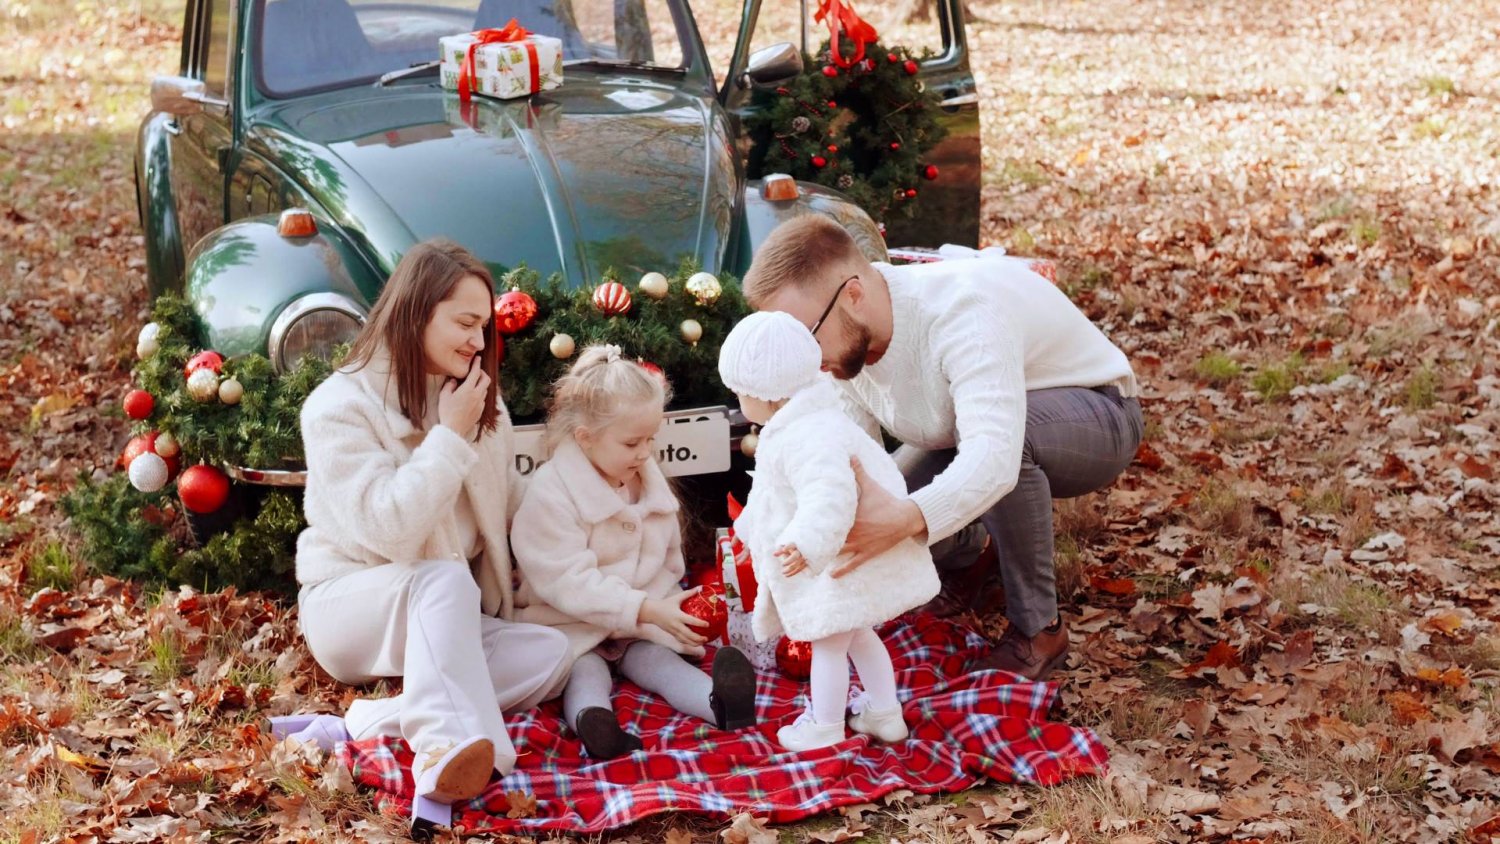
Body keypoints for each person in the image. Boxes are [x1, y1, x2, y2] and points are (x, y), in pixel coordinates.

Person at [743, 217, 1143, 682]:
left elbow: (993, 455)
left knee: (997, 456)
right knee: (884, 501)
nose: (804, 357)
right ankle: (975, 560)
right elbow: (855, 464)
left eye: (807, 333)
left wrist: (906, 519)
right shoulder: (838, 342)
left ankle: (1040, 629)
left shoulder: (962, 313)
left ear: (853, 293)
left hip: (1097, 411)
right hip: (968, 430)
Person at [276, 239, 572, 833]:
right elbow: (391, 531)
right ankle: (442, 754)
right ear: (416, 313)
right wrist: (450, 439)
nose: (477, 342)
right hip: (352, 605)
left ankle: (367, 722)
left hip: (445, 613)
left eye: (484, 327)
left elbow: (512, 510)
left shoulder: (475, 402)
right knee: (441, 582)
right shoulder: (337, 407)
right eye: (464, 323)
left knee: (552, 655)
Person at [510, 345, 758, 760]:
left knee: (657, 661)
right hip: (569, 621)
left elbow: (666, 555)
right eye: (631, 443)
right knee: (583, 668)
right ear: (584, 438)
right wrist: (644, 609)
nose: (645, 453)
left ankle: (722, 703)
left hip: (639, 621)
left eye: (651, 439)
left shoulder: (644, 479)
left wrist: (665, 603)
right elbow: (564, 580)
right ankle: (594, 722)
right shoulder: (551, 493)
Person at [718, 311, 940, 751]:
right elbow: (773, 500)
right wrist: (748, 531)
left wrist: (805, 543)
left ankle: (824, 725)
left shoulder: (809, 436)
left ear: (766, 393)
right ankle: (884, 712)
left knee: (829, 643)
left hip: (836, 563)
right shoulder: (805, 423)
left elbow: (829, 495)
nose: (739, 399)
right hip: (844, 560)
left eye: (739, 391)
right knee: (858, 634)